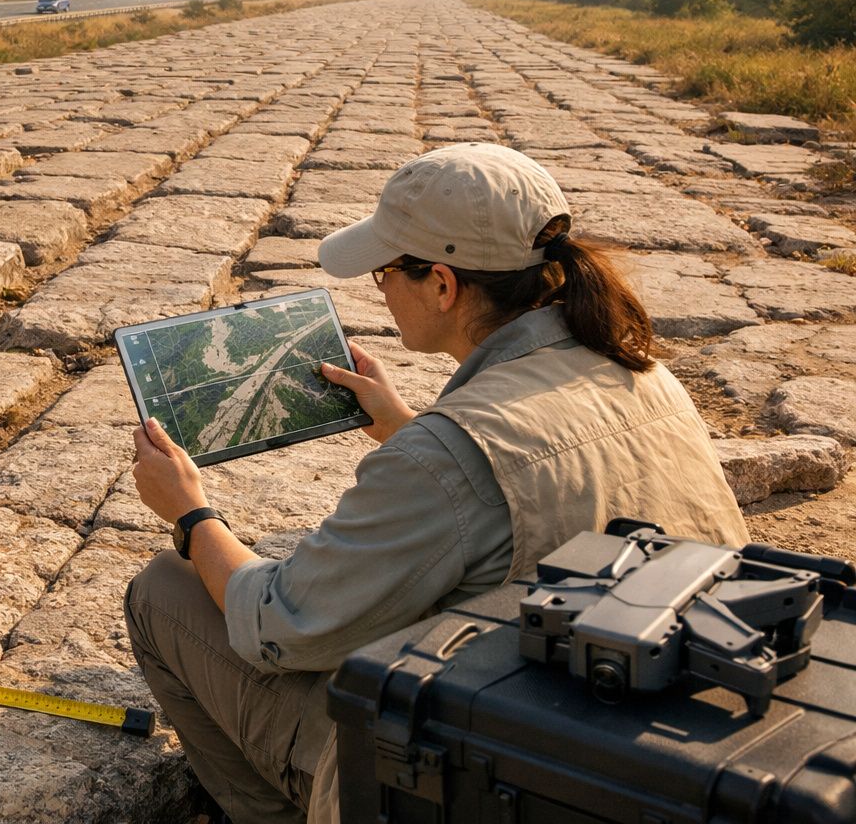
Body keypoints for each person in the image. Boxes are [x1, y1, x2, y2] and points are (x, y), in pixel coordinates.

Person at [122, 143, 750, 824]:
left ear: (443, 285)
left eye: (387, 271)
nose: (380, 288)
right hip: (648, 736)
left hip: (478, 768)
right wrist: (405, 425)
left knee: (163, 589)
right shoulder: (647, 374)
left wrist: (189, 514)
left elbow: (277, 625)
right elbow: (533, 485)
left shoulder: (443, 456)